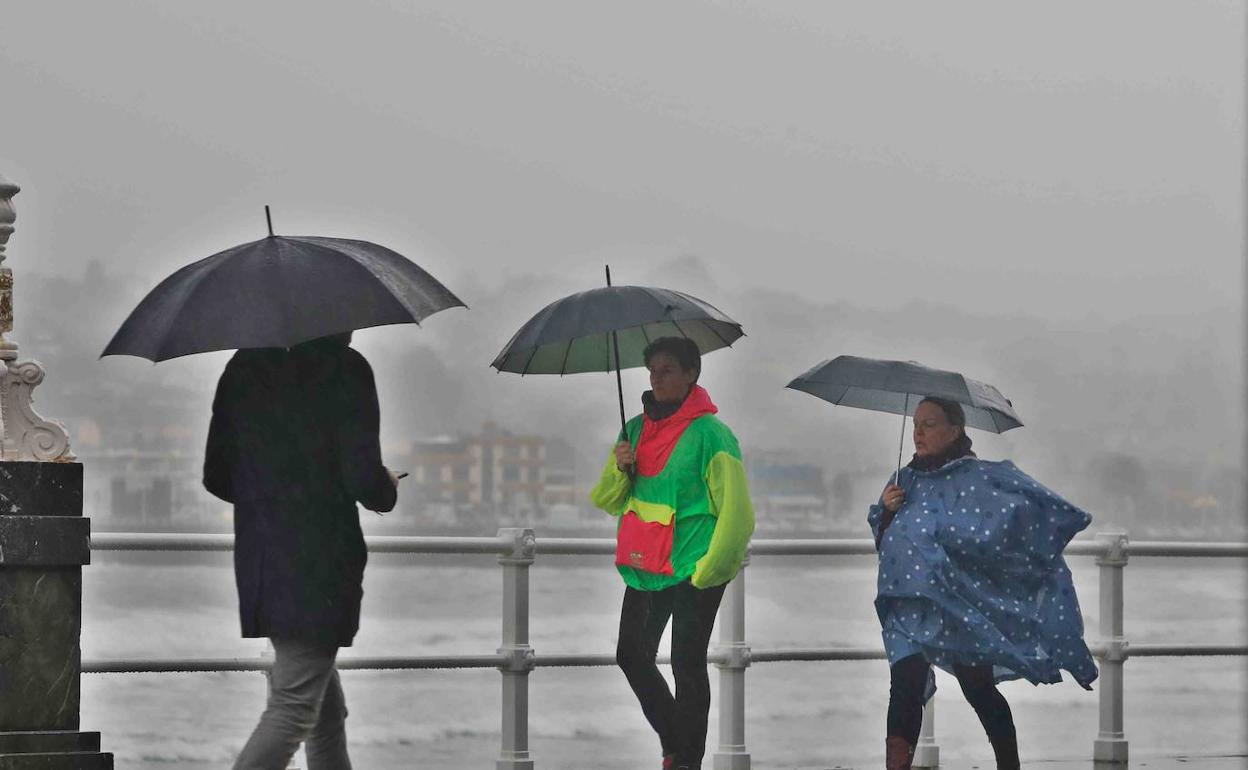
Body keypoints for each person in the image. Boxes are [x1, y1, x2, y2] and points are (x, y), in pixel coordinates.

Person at [869, 397, 1098, 770]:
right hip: (906, 604)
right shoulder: (903, 480)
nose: (918, 432)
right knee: (905, 687)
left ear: (955, 429)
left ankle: (1009, 765)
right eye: (916, 424)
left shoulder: (976, 478)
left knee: (977, 687)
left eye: (929, 424)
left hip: (956, 603)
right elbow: (887, 540)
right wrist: (887, 512)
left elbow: (1002, 528)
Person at [204, 331, 398, 770]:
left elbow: (218, 475)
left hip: (261, 554)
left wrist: (272, 492)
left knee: (324, 711)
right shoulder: (345, 369)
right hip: (321, 559)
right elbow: (365, 480)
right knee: (294, 707)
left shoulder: (245, 365)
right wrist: (387, 485)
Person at [590, 336, 755, 770]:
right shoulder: (634, 430)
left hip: (693, 568)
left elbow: (738, 513)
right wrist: (621, 467)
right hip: (646, 566)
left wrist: (709, 570)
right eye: (652, 371)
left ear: (691, 375)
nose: (656, 379)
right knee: (631, 655)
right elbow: (608, 500)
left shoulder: (712, 435)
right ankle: (676, 744)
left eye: (667, 371)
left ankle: (686, 761)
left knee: (687, 663)